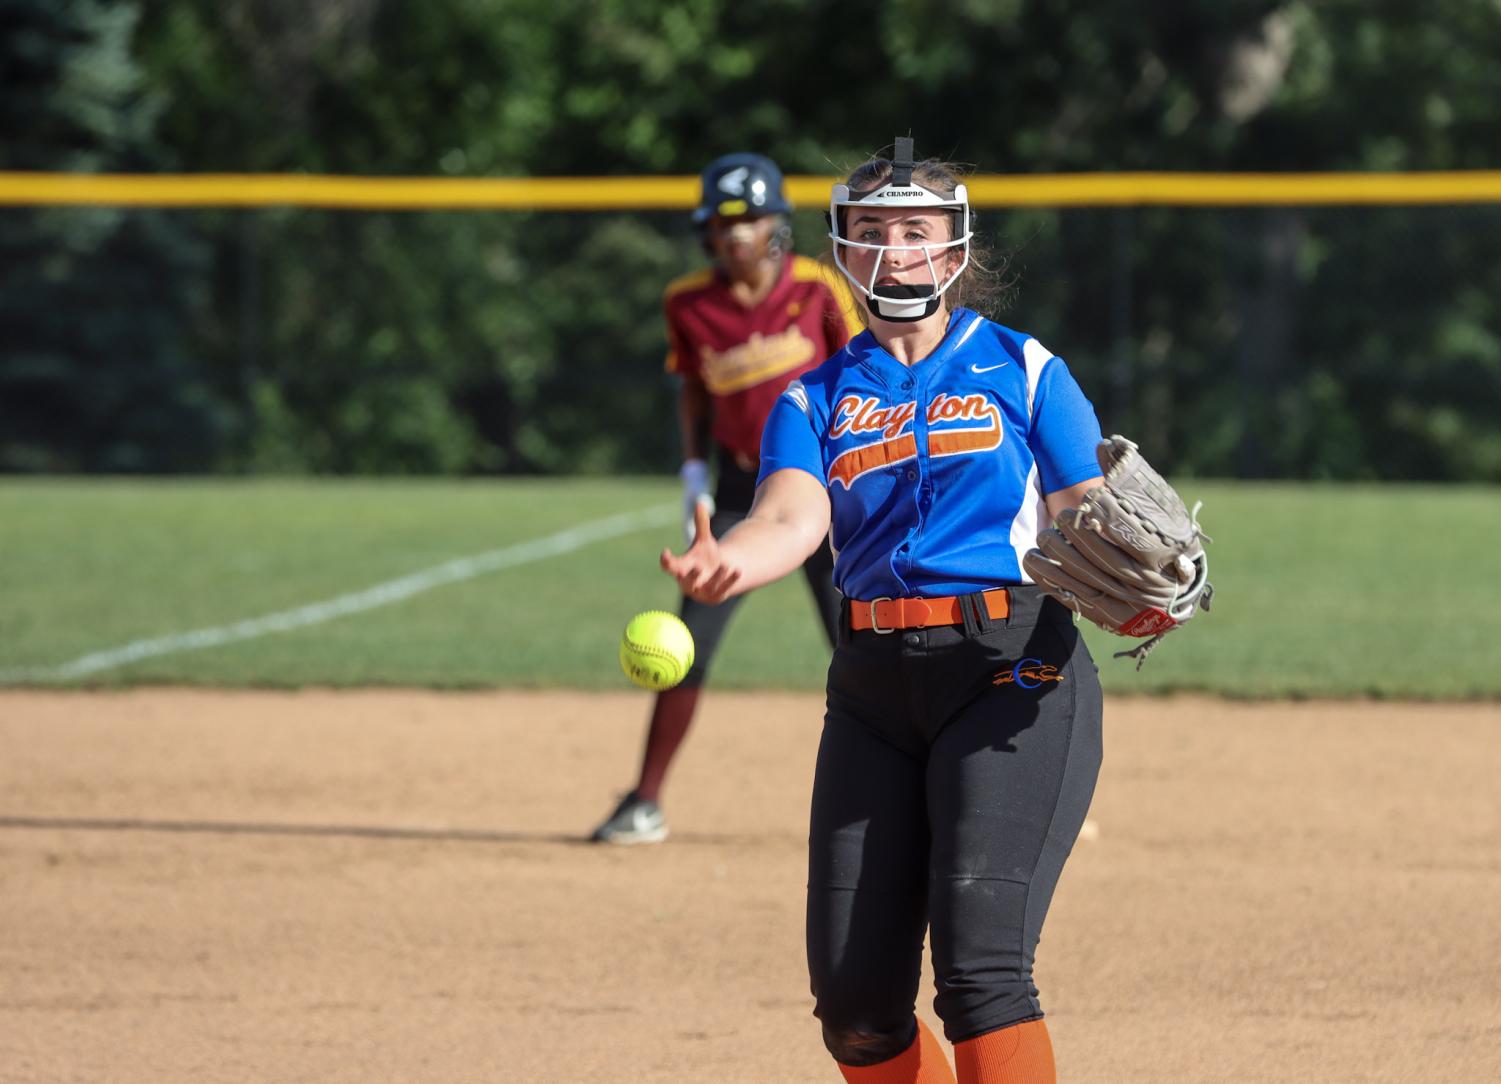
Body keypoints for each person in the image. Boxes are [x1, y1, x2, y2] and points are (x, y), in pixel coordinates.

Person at [661, 138, 1106, 1083]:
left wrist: (1142, 578)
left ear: (954, 252)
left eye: (917, 232)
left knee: (980, 974)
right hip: (871, 694)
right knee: (856, 1007)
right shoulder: (813, 396)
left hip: (1009, 672)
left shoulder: (1026, 371)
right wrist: (728, 561)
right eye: (871, 232)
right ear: (841, 250)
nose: (895, 251)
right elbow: (790, 512)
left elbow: (1085, 519)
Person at [591, 152, 862, 845]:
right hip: (741, 493)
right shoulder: (688, 302)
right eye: (722, 221)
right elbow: (690, 387)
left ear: (776, 223)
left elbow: (865, 379)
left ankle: (905, 801)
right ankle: (643, 801)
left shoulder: (818, 288)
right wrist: (691, 470)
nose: (735, 233)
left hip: (826, 492)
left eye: (748, 218)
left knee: (860, 647)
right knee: (690, 640)